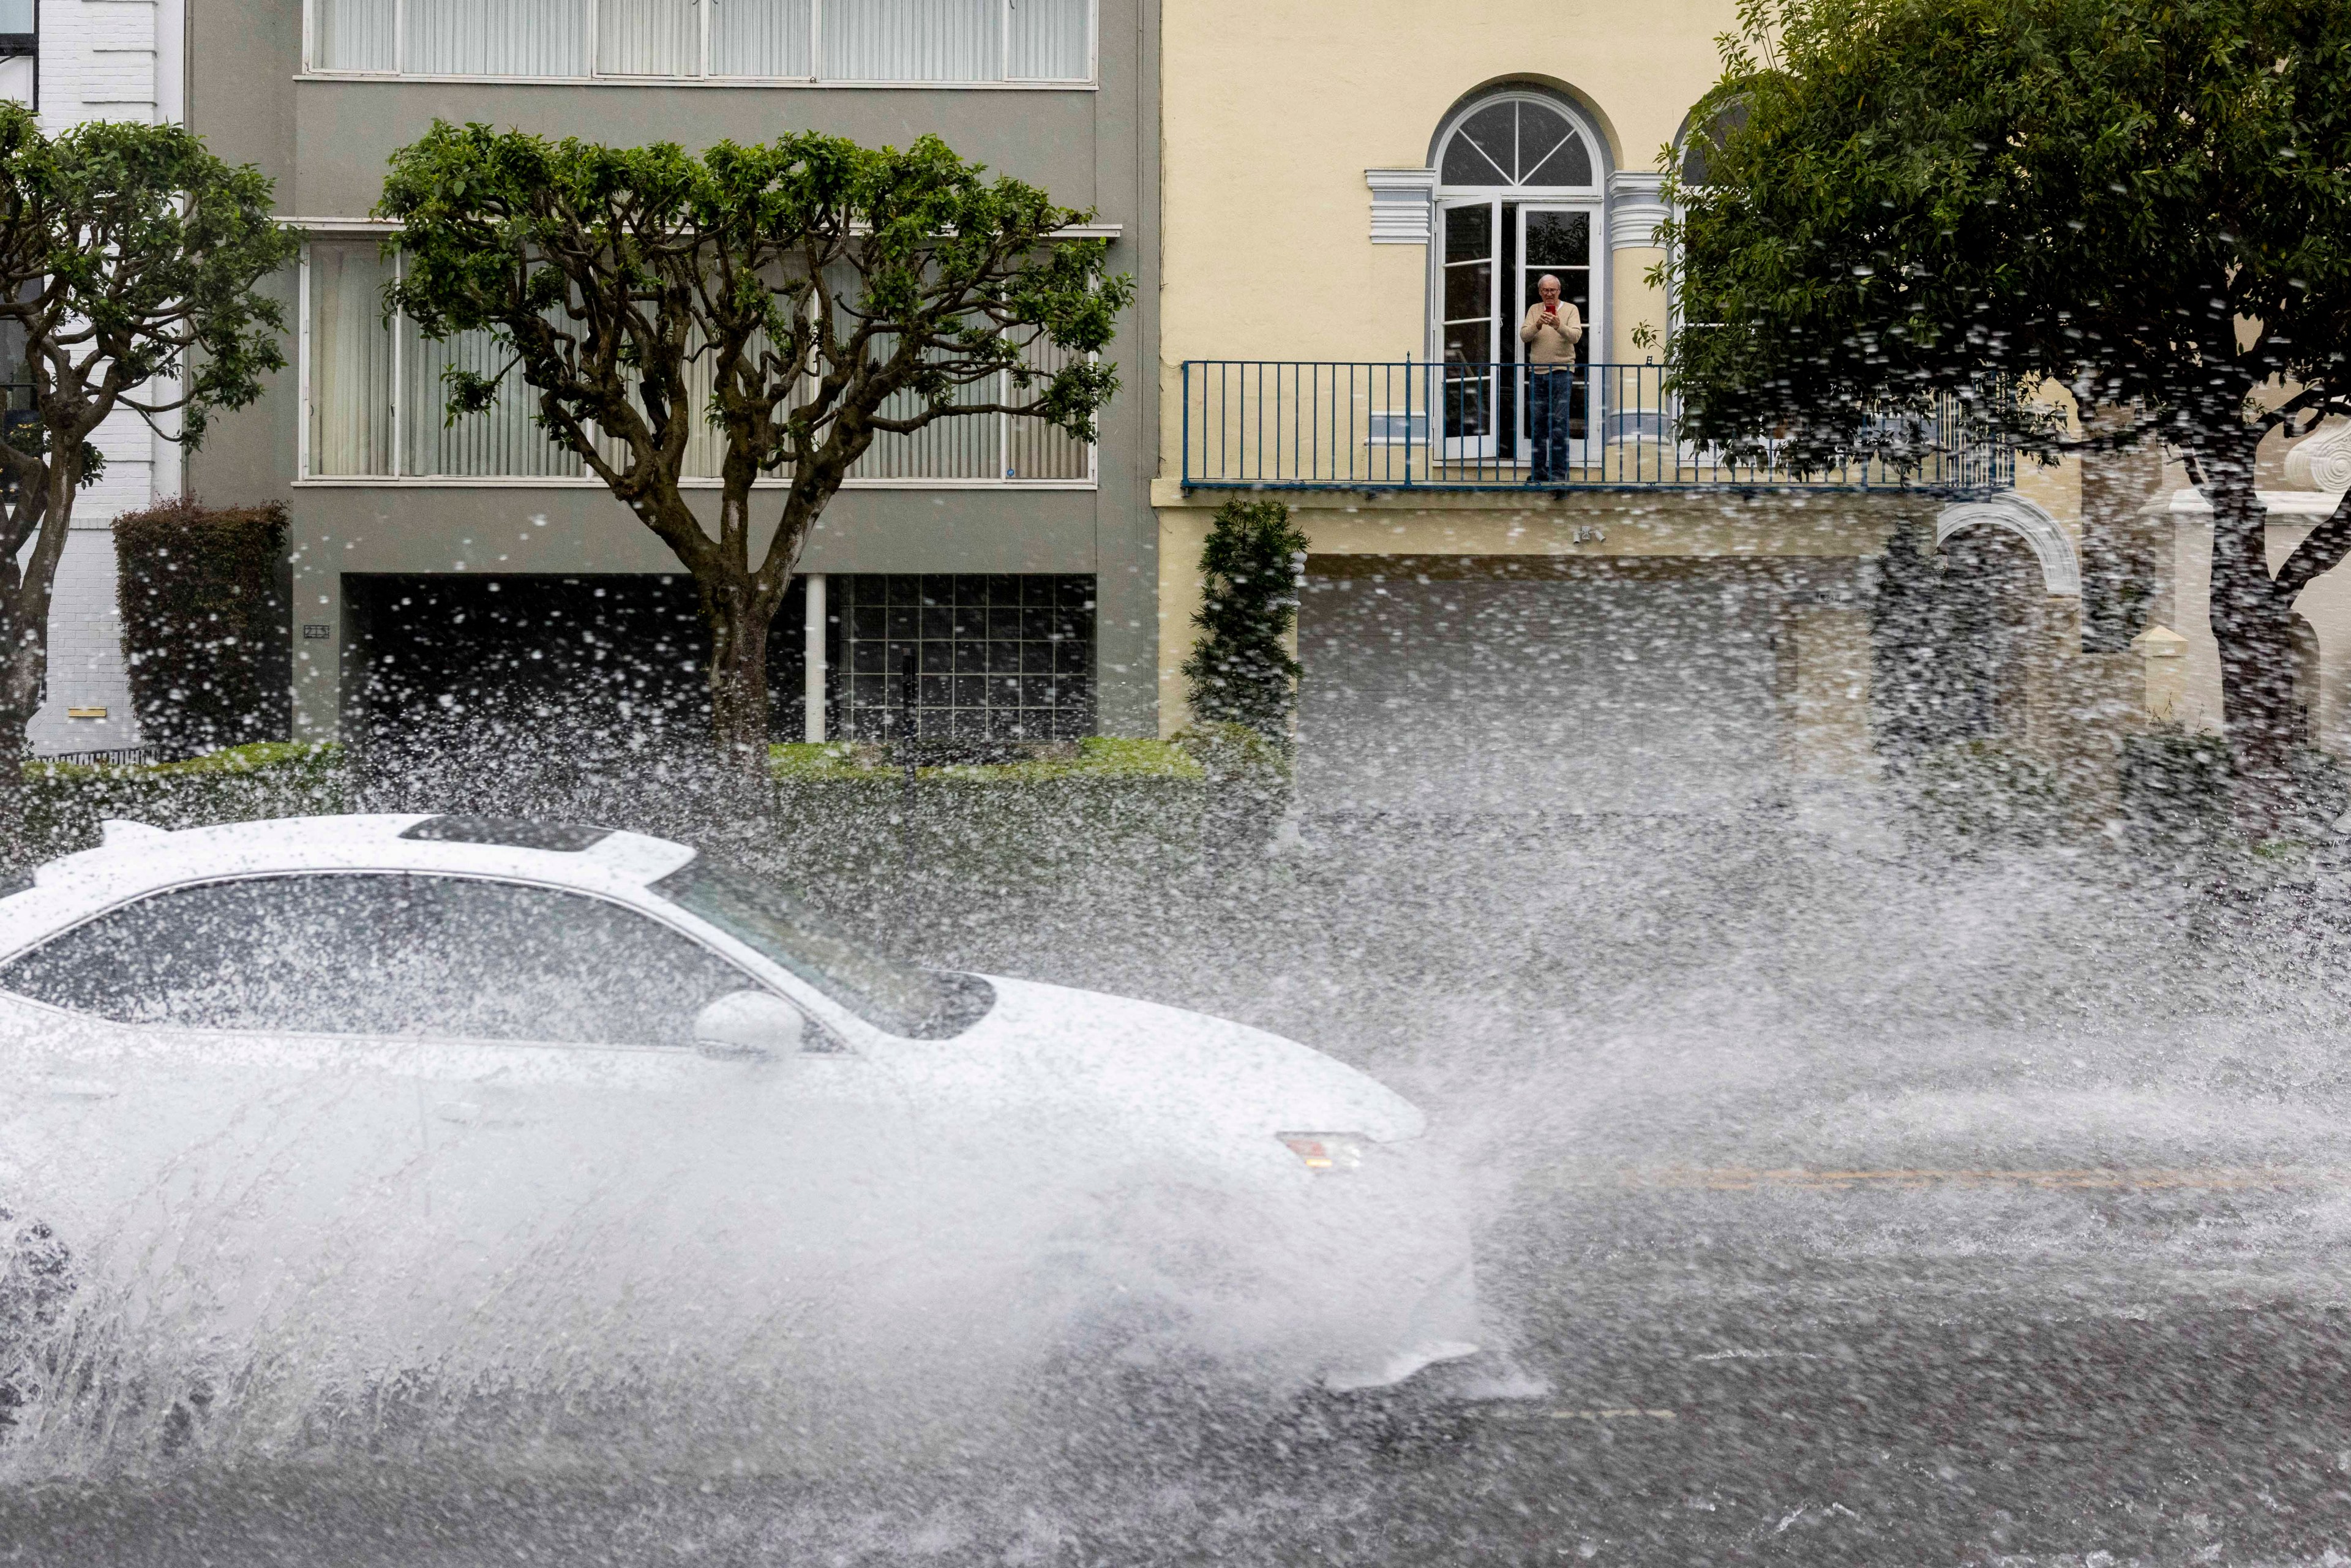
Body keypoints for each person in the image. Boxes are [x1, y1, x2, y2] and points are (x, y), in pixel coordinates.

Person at [1519, 274, 1582, 485]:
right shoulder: (1534, 309)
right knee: (1537, 424)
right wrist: (1538, 324)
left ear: (1559, 291)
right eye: (1545, 290)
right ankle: (1538, 472)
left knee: (1559, 423)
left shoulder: (1571, 309)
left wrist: (1558, 325)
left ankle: (1558, 472)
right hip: (1537, 373)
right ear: (1540, 292)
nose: (1549, 294)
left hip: (1562, 371)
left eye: (1553, 290)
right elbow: (1524, 336)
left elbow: (1575, 336)